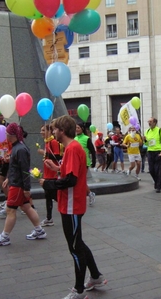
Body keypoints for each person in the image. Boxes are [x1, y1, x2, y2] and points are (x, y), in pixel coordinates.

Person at [40, 115, 107, 299]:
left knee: (75, 248)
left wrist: (48, 183)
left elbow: (71, 180)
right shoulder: (72, 148)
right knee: (78, 243)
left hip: (72, 205)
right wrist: (56, 169)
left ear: (62, 131)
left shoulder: (72, 148)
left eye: (54, 129)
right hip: (69, 205)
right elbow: (70, 172)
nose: (52, 132)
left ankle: (78, 290)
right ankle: (95, 276)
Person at [0, 123, 47, 246]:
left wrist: (26, 188)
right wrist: (9, 178)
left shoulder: (19, 149)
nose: (5, 135)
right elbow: (16, 167)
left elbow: (24, 170)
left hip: (18, 185)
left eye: (7, 133)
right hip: (17, 183)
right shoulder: (17, 147)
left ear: (12, 135)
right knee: (26, 207)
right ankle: (39, 230)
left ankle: (5, 236)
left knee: (10, 210)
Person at [38, 124, 61, 227]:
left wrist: (44, 153)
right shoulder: (47, 142)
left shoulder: (53, 142)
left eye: (43, 130)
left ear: (50, 131)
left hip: (53, 174)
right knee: (48, 196)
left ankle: (68, 211)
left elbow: (57, 156)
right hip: (47, 174)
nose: (41, 132)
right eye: (41, 130)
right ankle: (49, 218)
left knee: (54, 196)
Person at [75, 123, 96, 206]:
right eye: (76, 128)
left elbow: (93, 151)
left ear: (82, 129)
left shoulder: (86, 138)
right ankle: (86, 195)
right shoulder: (75, 138)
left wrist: (93, 162)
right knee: (78, 180)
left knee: (81, 180)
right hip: (76, 162)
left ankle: (90, 194)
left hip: (84, 163)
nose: (76, 129)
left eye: (78, 128)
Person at [143, 117, 161, 193]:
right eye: (148, 121)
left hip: (158, 152)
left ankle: (158, 186)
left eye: (150, 121)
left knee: (158, 170)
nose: (149, 123)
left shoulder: (160, 131)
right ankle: (157, 182)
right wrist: (145, 140)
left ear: (155, 123)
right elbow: (146, 144)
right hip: (150, 152)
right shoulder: (147, 131)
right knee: (151, 170)